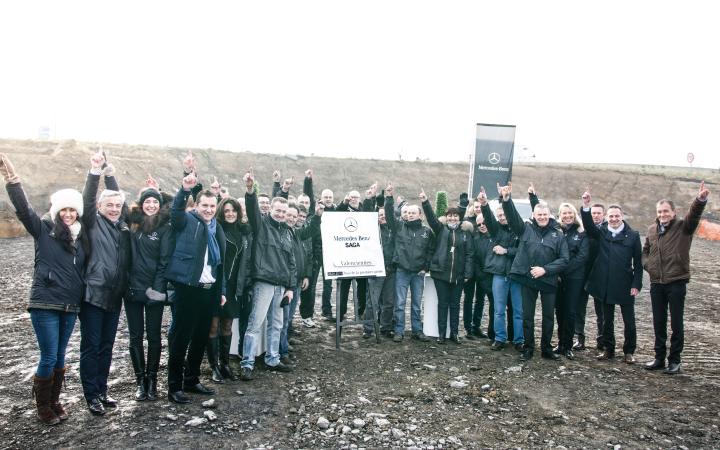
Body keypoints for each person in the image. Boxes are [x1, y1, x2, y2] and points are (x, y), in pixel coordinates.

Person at [1, 153, 91, 425]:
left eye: (72, 210)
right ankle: (42, 407)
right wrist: (12, 180)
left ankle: (54, 401)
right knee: (49, 354)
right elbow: (24, 209)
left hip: (70, 304)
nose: (67, 214)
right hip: (45, 304)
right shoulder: (43, 230)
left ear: (77, 212)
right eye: (63, 209)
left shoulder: (83, 238)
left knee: (61, 355)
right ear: (56, 212)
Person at [165, 172, 227, 404]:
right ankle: (174, 386)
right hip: (187, 288)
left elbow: (221, 264)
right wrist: (184, 189)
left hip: (209, 289)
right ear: (197, 205)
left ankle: (191, 380)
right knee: (181, 338)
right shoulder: (187, 221)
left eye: (212, 206)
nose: (209, 209)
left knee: (201, 337)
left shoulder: (216, 228)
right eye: (205, 205)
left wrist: (220, 291)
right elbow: (175, 212)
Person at [80, 153, 131, 416]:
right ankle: (91, 396)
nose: (113, 208)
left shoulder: (122, 225)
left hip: (114, 296)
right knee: (91, 345)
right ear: (100, 207)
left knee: (107, 346)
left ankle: (102, 390)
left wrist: (112, 177)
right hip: (92, 294)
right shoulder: (91, 222)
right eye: (109, 205)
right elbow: (88, 199)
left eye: (117, 205)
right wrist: (95, 171)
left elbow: (121, 198)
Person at [643, 182, 710, 374]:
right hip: (657, 283)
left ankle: (675, 361)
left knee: (676, 323)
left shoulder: (683, 227)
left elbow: (694, 215)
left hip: (676, 282)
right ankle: (658, 358)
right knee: (658, 322)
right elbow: (645, 251)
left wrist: (700, 200)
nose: (662, 214)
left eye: (666, 211)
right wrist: (649, 266)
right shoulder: (652, 230)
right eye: (660, 211)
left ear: (673, 212)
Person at [239, 169, 300, 381]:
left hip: (281, 286)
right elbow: (252, 208)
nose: (281, 214)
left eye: (284, 211)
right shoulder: (261, 224)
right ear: (271, 209)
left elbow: (292, 262)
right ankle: (247, 362)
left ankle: (272, 358)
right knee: (255, 323)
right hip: (263, 283)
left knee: (277, 324)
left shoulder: (288, 232)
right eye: (278, 210)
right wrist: (250, 189)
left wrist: (291, 288)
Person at [501, 182, 569, 362]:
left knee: (548, 317)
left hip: (548, 280)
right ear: (533, 215)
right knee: (527, 316)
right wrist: (506, 200)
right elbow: (513, 217)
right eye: (539, 214)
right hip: (528, 279)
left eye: (545, 214)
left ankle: (546, 349)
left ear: (549, 215)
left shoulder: (558, 234)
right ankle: (528, 348)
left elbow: (564, 259)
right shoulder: (525, 229)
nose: (542, 217)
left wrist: (545, 270)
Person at [581, 190, 642, 364]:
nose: (614, 219)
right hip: (605, 285)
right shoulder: (602, 233)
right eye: (611, 216)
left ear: (622, 216)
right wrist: (586, 206)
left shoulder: (633, 236)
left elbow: (638, 263)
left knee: (629, 321)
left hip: (625, 284)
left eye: (617, 216)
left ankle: (629, 351)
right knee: (607, 320)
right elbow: (588, 225)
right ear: (607, 217)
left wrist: (636, 284)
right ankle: (609, 349)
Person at [528, 186, 590, 360]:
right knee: (559, 310)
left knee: (570, 311)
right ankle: (560, 343)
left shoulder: (581, 233)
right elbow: (540, 214)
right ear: (560, 215)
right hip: (557, 277)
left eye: (570, 213)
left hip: (574, 277)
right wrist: (533, 196)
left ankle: (567, 345)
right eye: (564, 213)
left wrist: (562, 268)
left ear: (574, 215)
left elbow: (582, 257)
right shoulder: (556, 229)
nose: (567, 216)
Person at [125, 185, 173, 401]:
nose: (151, 205)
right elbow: (117, 201)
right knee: (135, 336)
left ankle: (152, 380)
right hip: (133, 289)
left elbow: (164, 263)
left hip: (154, 290)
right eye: (147, 201)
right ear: (141, 205)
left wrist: (158, 290)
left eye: (155, 201)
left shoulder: (164, 227)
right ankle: (140, 382)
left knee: (153, 336)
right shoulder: (132, 224)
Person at [207, 198, 252, 383]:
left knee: (227, 325)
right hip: (217, 283)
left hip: (234, 285)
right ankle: (214, 366)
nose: (230, 214)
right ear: (221, 212)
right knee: (213, 325)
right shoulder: (216, 229)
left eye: (233, 210)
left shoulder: (243, 232)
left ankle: (225, 364)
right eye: (226, 211)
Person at [384, 183, 434, 343]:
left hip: (418, 273)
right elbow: (389, 216)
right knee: (399, 303)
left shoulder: (426, 231)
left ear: (420, 215)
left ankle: (417, 331)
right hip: (402, 271)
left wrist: (425, 267)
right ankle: (399, 331)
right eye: (409, 213)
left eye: (414, 213)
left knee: (416, 304)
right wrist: (389, 198)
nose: (411, 215)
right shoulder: (399, 226)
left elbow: (430, 251)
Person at [421, 193, 474, 344]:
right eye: (450, 216)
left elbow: (470, 254)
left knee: (455, 305)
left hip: (458, 276)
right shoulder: (440, 229)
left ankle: (455, 333)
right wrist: (425, 202)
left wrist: (467, 273)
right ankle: (442, 334)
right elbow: (431, 219)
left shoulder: (465, 234)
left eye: (455, 216)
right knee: (443, 304)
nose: (452, 219)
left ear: (459, 218)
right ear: (446, 218)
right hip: (441, 274)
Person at [478, 190, 522, 351]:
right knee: (498, 309)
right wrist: (484, 204)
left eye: (504, 214)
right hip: (499, 275)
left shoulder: (520, 229)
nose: (502, 217)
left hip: (516, 275)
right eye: (500, 215)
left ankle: (519, 340)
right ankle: (500, 338)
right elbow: (488, 218)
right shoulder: (496, 229)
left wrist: (506, 251)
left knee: (518, 310)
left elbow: (524, 251)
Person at [362, 183, 396, 339]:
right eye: (379, 216)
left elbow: (389, 212)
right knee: (372, 301)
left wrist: (389, 197)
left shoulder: (393, 230)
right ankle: (367, 328)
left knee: (389, 302)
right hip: (375, 270)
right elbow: (367, 214)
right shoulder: (371, 230)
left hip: (391, 270)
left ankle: (385, 327)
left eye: (384, 216)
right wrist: (370, 198)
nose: (382, 218)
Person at [573, 203, 606, 351]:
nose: (596, 215)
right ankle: (579, 337)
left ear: (603, 215)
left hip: (600, 275)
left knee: (601, 310)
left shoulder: (606, 231)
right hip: (583, 273)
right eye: (593, 213)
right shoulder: (582, 231)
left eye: (599, 213)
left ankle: (602, 338)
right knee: (579, 307)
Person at [462, 198, 494, 340]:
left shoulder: (491, 234)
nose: (482, 225)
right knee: (468, 299)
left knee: (480, 300)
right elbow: (470, 254)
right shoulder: (471, 232)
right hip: (472, 273)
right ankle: (468, 328)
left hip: (483, 274)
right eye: (479, 224)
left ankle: (476, 326)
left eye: (484, 223)